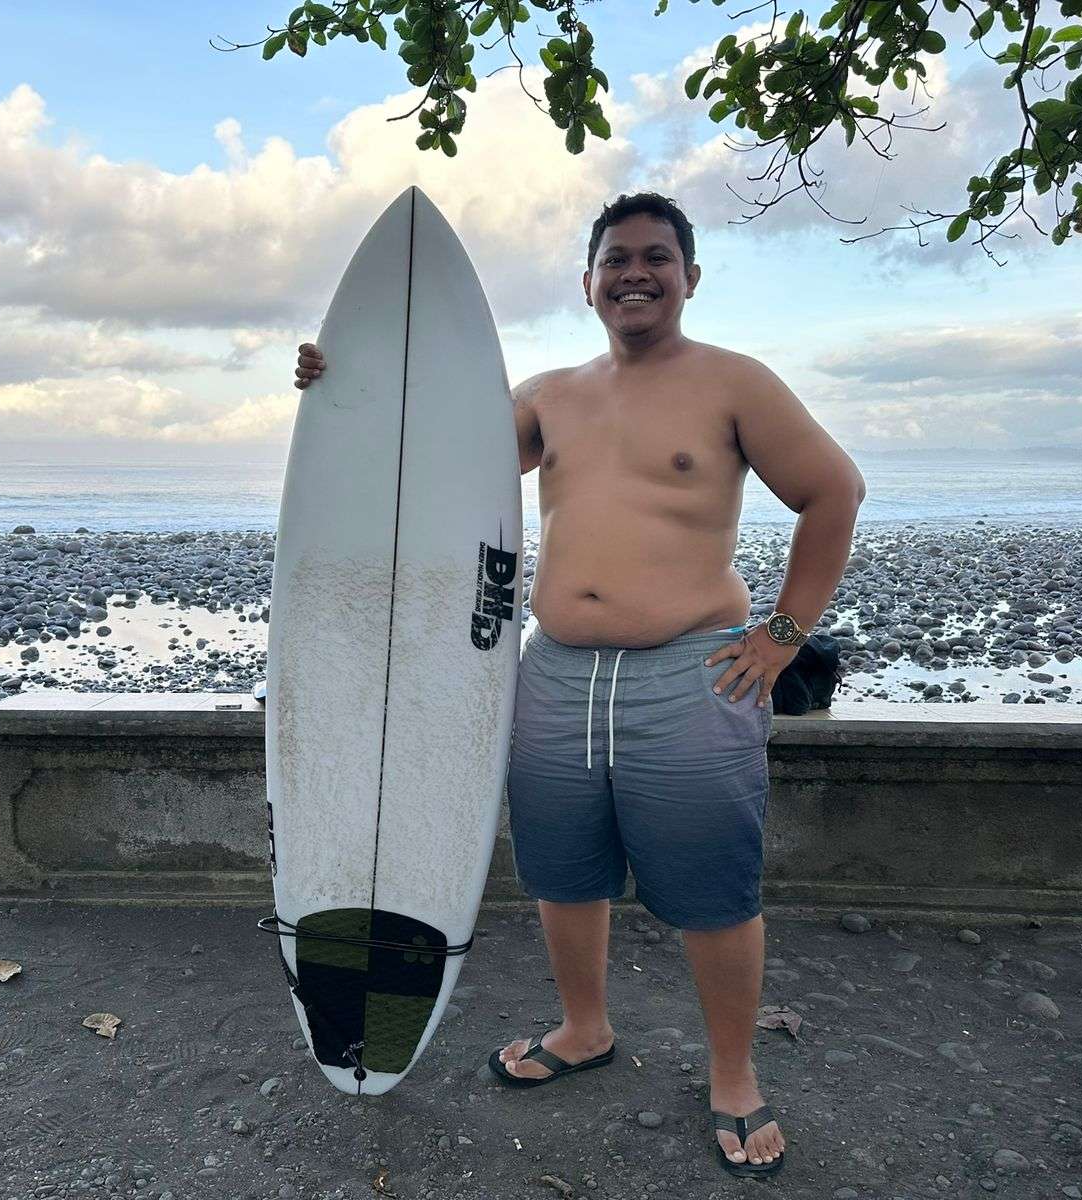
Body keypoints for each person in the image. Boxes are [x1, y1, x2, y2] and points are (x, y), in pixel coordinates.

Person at [292, 191, 865, 1179]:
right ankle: (584, 1027)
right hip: (554, 674)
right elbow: (422, 462)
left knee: (714, 891)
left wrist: (781, 635)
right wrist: (340, 386)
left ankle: (733, 1073)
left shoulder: (733, 384)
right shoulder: (549, 395)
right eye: (616, 260)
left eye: (656, 258)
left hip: (688, 672)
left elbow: (833, 491)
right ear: (588, 282)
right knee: (563, 874)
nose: (635, 274)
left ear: (690, 277)